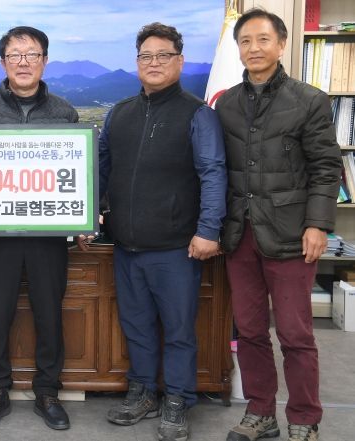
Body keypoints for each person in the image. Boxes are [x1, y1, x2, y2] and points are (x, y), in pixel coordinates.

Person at [79, 22, 227, 441]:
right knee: (137, 325)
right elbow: (98, 171)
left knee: (178, 330)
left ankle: (178, 399)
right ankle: (143, 391)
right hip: (126, 244)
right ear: (137, 62)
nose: (154, 62)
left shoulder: (197, 114)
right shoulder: (120, 113)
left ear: (180, 61)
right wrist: (85, 218)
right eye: (146, 55)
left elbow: (213, 173)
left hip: (176, 247)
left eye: (164, 55)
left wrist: (208, 230)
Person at [216, 9, 342, 441]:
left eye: (263, 39)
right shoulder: (226, 104)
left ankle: (304, 419)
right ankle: (260, 413)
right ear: (238, 48)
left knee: (294, 334)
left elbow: (326, 167)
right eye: (245, 41)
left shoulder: (309, 100)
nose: (254, 48)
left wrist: (318, 224)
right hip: (240, 235)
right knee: (250, 331)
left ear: (282, 44)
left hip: (291, 234)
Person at [0, 26, 78, 431]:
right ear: (3, 62)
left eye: (32, 55)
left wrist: (85, 215)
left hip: (49, 235)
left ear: (45, 60)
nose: (23, 62)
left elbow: (78, 172)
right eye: (15, 55)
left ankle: (48, 391)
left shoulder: (64, 112)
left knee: (50, 314)